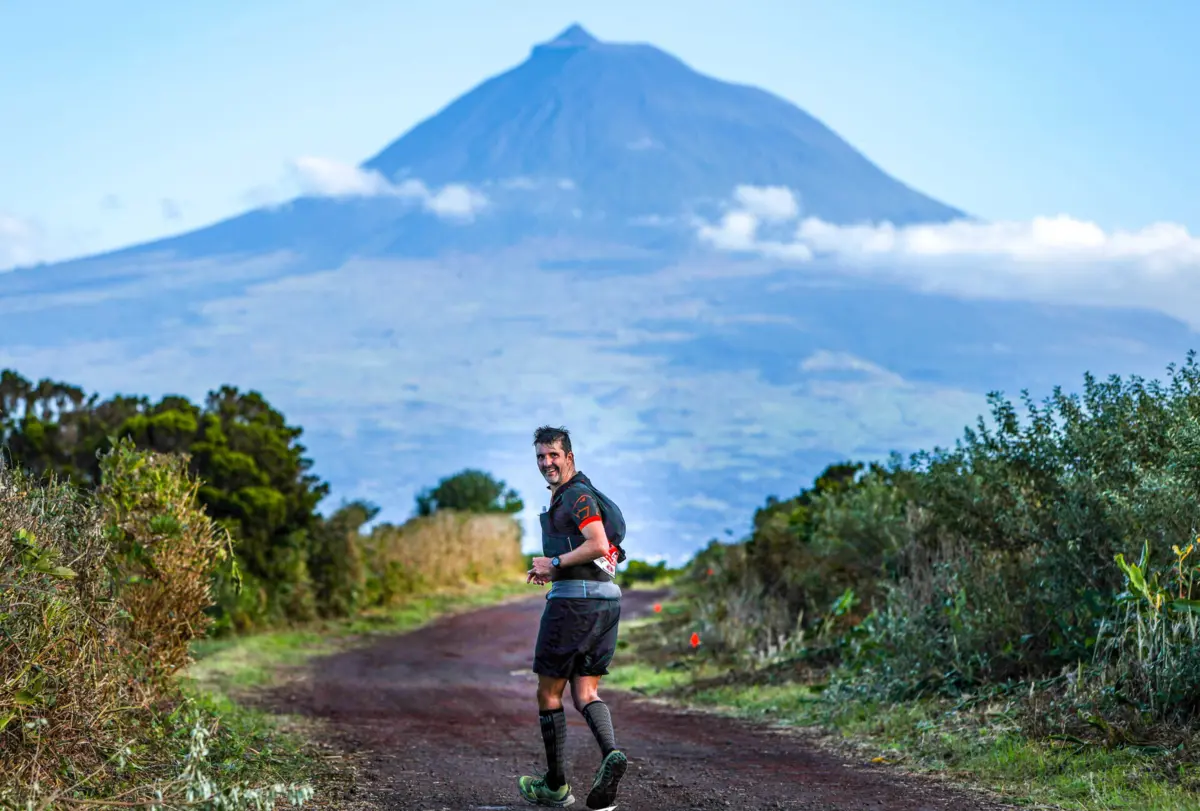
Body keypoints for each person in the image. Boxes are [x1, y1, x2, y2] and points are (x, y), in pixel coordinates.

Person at [518, 425, 627, 810]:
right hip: (606, 603)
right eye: (540, 457)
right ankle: (612, 754)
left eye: (553, 455)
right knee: (586, 692)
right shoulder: (574, 495)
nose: (546, 462)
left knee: (548, 692)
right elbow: (599, 552)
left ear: (570, 457)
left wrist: (555, 563)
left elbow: (597, 543)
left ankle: (556, 786)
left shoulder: (577, 495)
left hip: (573, 607)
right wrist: (553, 569)